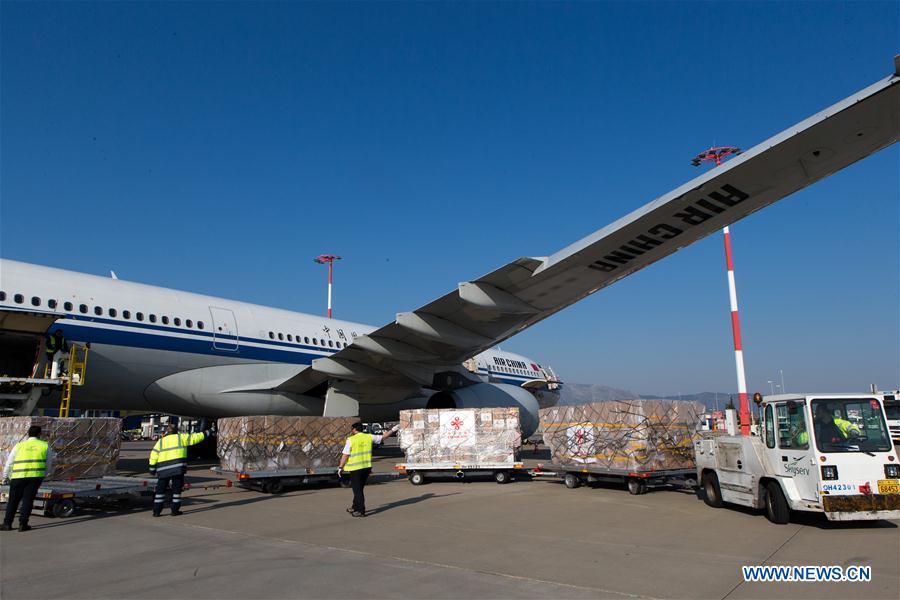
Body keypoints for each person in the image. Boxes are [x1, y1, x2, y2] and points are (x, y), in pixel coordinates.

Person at [148, 422, 212, 517]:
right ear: (176, 431)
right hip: (177, 469)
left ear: (167, 432)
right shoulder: (181, 438)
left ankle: (157, 511)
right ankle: (174, 510)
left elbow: (153, 455)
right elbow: (196, 437)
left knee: (160, 491)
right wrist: (208, 432)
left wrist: (152, 468)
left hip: (163, 470)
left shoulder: (161, 441)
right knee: (176, 491)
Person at [337, 422, 397, 517]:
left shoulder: (351, 439)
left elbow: (345, 455)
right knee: (359, 488)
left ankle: (361, 511)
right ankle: (354, 506)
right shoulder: (369, 437)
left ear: (354, 430)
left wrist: (340, 467)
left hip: (355, 469)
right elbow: (383, 437)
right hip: (366, 468)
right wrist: (393, 429)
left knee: (357, 490)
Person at [1, 425, 54, 532]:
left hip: (18, 477)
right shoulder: (45, 445)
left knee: (13, 501)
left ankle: (7, 524)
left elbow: (9, 463)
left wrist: (5, 476)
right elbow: (49, 463)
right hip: (35, 477)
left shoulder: (19, 445)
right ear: (40, 434)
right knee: (28, 500)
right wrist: (46, 474)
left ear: (28, 434)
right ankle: (23, 524)